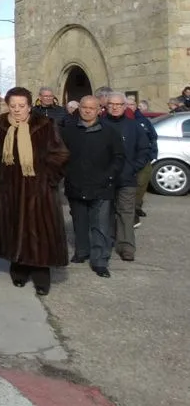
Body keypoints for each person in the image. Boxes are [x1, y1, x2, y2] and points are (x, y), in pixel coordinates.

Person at [0, 87, 70, 296]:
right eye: (13, 106)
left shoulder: (44, 124)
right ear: (8, 105)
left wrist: (48, 178)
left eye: (22, 106)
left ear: (29, 105)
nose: (17, 110)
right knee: (14, 229)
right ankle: (18, 270)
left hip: (39, 190)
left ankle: (41, 277)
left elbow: (60, 154)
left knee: (40, 233)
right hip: (10, 189)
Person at [60, 96, 125, 278]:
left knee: (101, 225)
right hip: (76, 184)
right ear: (79, 108)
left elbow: (119, 157)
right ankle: (81, 252)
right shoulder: (68, 131)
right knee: (79, 222)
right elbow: (61, 156)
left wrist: (109, 176)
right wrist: (67, 174)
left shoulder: (110, 132)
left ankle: (100, 261)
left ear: (99, 110)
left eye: (91, 108)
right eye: (84, 107)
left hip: (102, 186)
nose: (87, 111)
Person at [102, 92, 151, 261]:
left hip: (127, 177)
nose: (115, 107)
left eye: (119, 104)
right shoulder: (99, 124)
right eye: (111, 104)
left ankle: (127, 246)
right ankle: (104, 244)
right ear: (106, 106)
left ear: (124, 106)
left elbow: (145, 150)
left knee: (126, 212)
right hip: (104, 178)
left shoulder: (134, 126)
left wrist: (133, 167)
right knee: (104, 213)